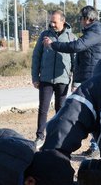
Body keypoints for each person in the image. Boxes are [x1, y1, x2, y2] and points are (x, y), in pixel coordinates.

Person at [43, 5, 101, 158]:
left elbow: (77, 46)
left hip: (94, 76)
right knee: (95, 112)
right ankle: (95, 146)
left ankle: (96, 146)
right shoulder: (95, 31)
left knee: (95, 113)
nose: (80, 21)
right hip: (92, 75)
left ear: (87, 19)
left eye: (81, 18)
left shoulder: (95, 32)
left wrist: (52, 45)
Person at [31, 10, 75, 150]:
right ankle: (40, 137)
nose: (52, 24)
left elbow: (75, 60)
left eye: (55, 22)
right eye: (51, 21)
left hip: (63, 79)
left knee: (60, 110)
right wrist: (35, 77)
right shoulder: (44, 35)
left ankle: (57, 138)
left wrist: (74, 80)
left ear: (63, 21)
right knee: (43, 108)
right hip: (45, 78)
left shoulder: (71, 37)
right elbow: (36, 56)